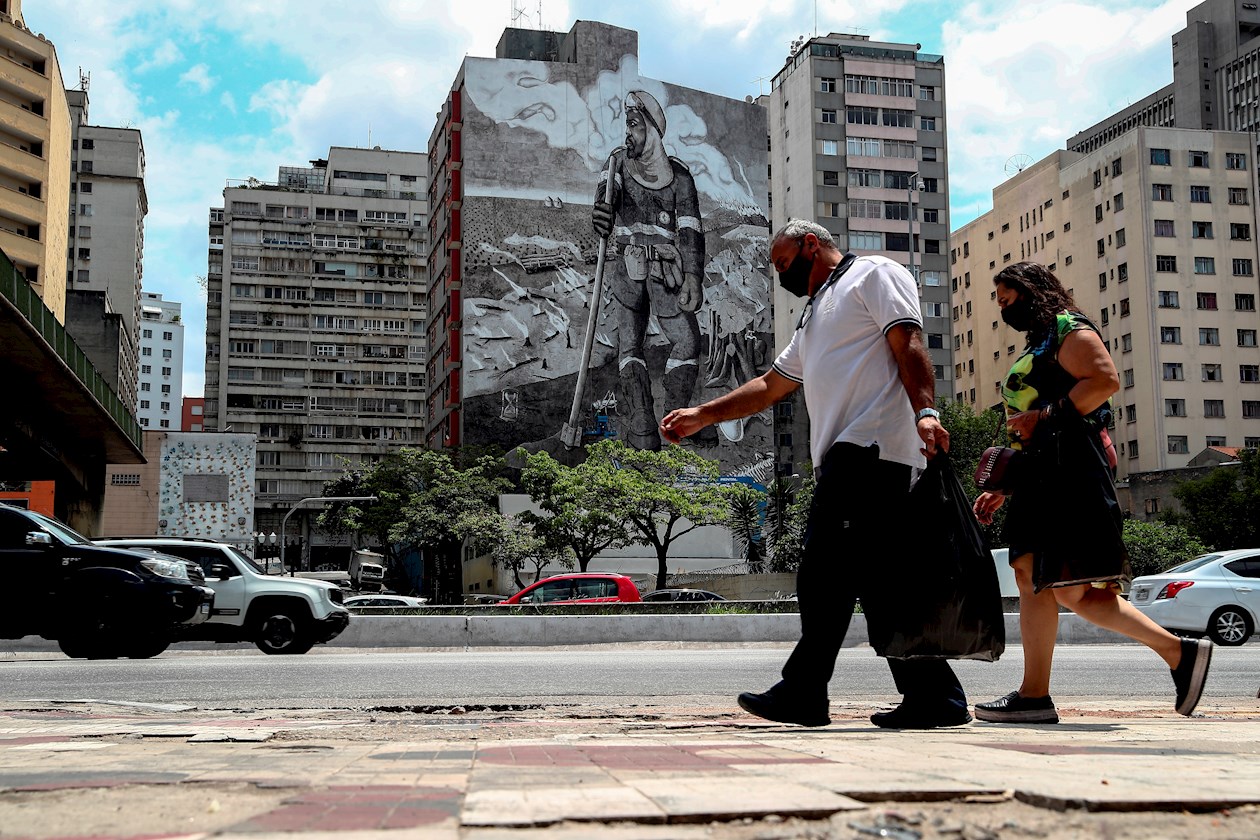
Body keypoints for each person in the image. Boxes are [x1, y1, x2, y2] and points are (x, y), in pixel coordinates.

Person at [660, 218, 970, 729]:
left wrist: (926, 412)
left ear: (810, 244)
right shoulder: (814, 314)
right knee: (880, 585)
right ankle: (935, 696)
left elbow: (908, 341)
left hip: (870, 448)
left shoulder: (873, 273)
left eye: (783, 263)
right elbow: (770, 384)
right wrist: (704, 415)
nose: (781, 275)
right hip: (848, 457)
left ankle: (805, 693)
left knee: (823, 577)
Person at [972, 262, 1212, 723]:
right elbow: (1037, 421)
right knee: (1060, 588)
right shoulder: (1042, 341)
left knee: (1044, 579)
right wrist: (1007, 484)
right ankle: (1177, 654)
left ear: (1031, 291)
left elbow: (1104, 381)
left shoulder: (1070, 331)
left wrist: (1043, 419)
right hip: (1047, 474)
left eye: (1007, 299)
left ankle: (1036, 696)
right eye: (999, 303)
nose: (1003, 309)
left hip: (1071, 475)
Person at [592, 90, 706, 450]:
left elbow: (690, 230)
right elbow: (604, 202)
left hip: (664, 271)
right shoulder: (617, 165)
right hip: (628, 266)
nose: (628, 133)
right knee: (631, 343)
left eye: (634, 125)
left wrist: (692, 276)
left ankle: (674, 417)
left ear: (654, 130)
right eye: (627, 125)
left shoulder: (680, 178)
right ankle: (642, 425)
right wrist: (602, 213)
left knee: (687, 339)